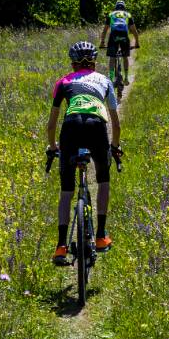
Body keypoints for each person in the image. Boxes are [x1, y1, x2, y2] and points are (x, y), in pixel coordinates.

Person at [46, 40, 122, 265]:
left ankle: (60, 246)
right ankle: (100, 236)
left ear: (73, 64)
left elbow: (51, 125)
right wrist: (115, 147)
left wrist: (52, 147)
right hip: (96, 127)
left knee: (66, 189)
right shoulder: (105, 81)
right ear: (94, 63)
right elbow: (116, 125)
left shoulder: (63, 82)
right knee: (103, 180)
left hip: (70, 128)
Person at [99, 0, 139, 86]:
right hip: (124, 35)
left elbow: (105, 30)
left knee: (112, 57)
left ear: (115, 8)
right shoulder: (128, 15)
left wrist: (102, 42)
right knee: (125, 57)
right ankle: (126, 78)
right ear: (124, 8)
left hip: (114, 36)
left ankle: (110, 79)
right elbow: (134, 31)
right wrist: (137, 43)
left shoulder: (111, 14)